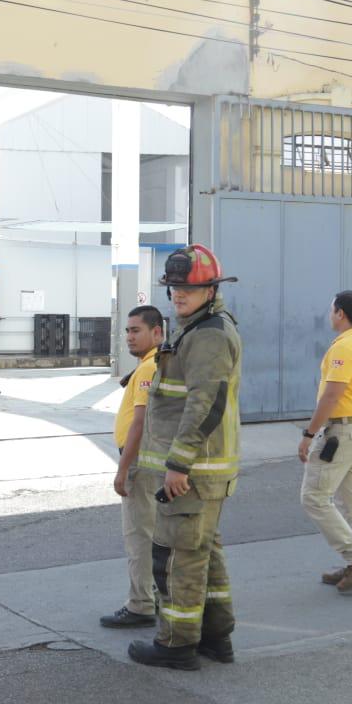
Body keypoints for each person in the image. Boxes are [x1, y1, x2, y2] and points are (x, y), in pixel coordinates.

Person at [128, 246, 242, 670]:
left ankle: (176, 644)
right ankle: (215, 638)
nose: (178, 294)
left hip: (192, 472)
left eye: (188, 289)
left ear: (211, 290)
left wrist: (178, 464)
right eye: (174, 287)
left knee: (178, 559)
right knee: (202, 554)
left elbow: (204, 403)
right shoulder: (198, 328)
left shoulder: (209, 334)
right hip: (202, 470)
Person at [299, 290, 352, 594]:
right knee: (350, 502)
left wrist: (309, 434)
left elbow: (331, 396)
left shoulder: (345, 347)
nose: (330, 314)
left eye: (332, 309)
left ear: (340, 313)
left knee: (313, 497)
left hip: (341, 433)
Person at [100, 305, 166, 629]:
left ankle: (141, 605)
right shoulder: (153, 363)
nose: (129, 336)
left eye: (136, 330)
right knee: (150, 534)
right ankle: (153, 596)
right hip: (146, 460)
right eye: (127, 330)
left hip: (139, 462)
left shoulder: (149, 367)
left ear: (157, 332)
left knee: (139, 536)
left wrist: (122, 469)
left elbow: (139, 423)